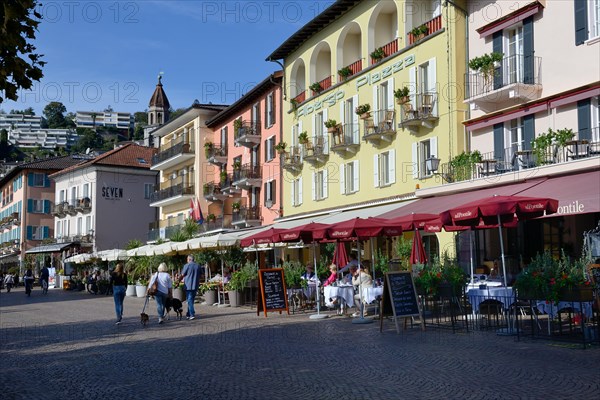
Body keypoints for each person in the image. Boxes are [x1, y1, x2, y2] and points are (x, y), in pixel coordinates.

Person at [180, 254, 201, 320]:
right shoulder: (198, 266)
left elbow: (182, 274)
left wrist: (178, 280)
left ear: (189, 259)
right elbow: (201, 275)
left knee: (189, 300)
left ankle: (192, 314)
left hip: (188, 285)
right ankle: (188, 314)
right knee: (191, 300)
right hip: (195, 285)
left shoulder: (187, 265)